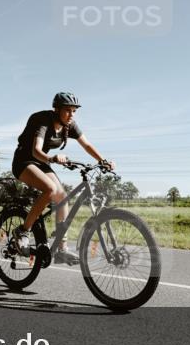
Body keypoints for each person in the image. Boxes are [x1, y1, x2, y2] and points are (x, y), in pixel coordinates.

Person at [11, 92, 114, 265]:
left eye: (74, 111)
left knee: (62, 197)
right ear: (57, 109)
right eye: (68, 110)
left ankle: (61, 249)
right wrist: (52, 158)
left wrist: (102, 161)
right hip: (24, 160)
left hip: (41, 162)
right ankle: (23, 231)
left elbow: (87, 144)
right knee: (50, 189)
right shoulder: (42, 120)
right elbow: (36, 150)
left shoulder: (70, 125)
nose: (71, 114)